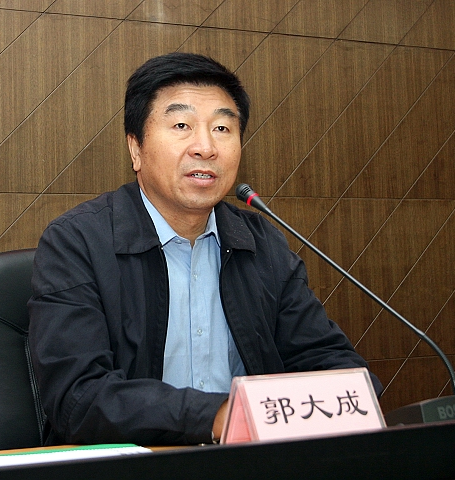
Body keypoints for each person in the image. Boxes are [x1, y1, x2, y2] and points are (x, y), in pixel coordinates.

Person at [28, 52, 382, 447]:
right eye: (181, 125)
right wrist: (218, 417)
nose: (206, 147)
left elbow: (327, 360)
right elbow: (78, 398)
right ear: (136, 149)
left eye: (222, 128)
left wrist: (350, 395)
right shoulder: (77, 242)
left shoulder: (261, 243)